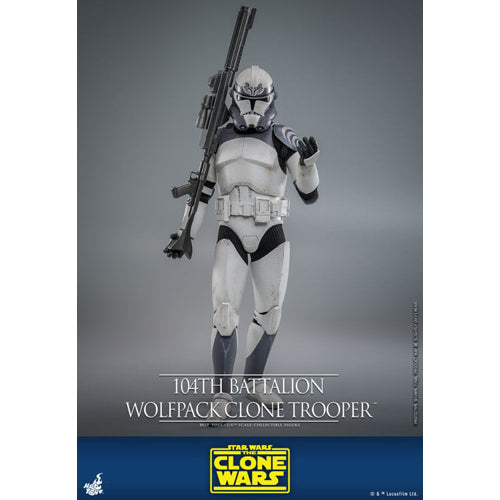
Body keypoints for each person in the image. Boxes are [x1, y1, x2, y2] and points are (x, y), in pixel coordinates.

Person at [165, 66, 320, 420]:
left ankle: (254, 382)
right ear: (235, 98)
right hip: (231, 231)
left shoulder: (282, 137)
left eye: (258, 100)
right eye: (246, 100)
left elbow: (309, 193)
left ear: (270, 99)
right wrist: (184, 234)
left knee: (270, 314)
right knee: (224, 314)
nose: (252, 108)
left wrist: (309, 166)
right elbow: (201, 192)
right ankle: (222, 394)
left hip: (271, 233)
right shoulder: (218, 138)